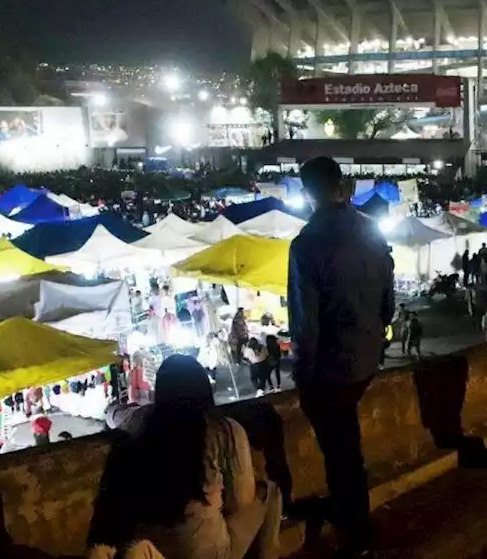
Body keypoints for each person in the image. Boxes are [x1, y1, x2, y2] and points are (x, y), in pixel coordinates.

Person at [288, 157, 394, 558]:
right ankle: (349, 515)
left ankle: (358, 532)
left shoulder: (308, 243)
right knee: (345, 447)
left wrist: (302, 373)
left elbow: (305, 320)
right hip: (366, 358)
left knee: (343, 454)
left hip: (333, 367)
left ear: (306, 193)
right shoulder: (369, 229)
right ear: (341, 186)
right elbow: (389, 298)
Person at [88, 355, 282, 559]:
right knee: (269, 492)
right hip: (208, 553)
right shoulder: (224, 431)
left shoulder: (141, 421)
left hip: (153, 548)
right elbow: (241, 501)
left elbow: (115, 416)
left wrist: (112, 408)